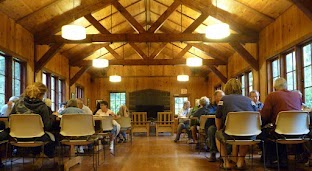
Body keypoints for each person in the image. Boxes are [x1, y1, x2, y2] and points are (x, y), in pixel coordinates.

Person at [215, 78, 257, 170]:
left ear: (227, 88)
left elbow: (218, 117)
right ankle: (240, 161)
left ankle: (226, 162)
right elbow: (257, 116)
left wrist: (219, 129)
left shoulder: (223, 100)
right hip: (249, 133)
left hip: (230, 134)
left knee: (217, 135)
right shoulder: (250, 101)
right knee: (246, 135)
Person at [260, 78, 302, 168]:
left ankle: (270, 160)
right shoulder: (297, 95)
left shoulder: (272, 96)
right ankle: (283, 159)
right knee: (277, 130)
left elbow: (265, 116)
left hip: (280, 132)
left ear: (275, 87)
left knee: (264, 132)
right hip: (299, 132)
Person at [10, 82, 56, 159]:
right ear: (41, 95)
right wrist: (52, 117)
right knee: (53, 138)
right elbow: (47, 126)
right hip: (37, 137)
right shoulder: (42, 107)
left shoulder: (17, 104)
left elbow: (10, 119)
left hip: (17, 137)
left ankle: (34, 154)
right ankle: (46, 157)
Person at [205, 90, 224, 162]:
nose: (222, 97)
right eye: (220, 96)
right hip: (213, 124)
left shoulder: (225, 104)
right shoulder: (211, 106)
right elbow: (208, 113)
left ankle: (224, 154)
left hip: (223, 126)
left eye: (223, 96)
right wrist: (219, 112)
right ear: (215, 97)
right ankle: (213, 153)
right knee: (211, 130)